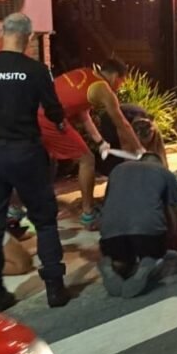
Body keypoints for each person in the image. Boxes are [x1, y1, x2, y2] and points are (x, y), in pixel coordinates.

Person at [0, 13, 69, 311]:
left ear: (1, 33)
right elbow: (53, 110)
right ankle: (55, 289)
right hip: (27, 154)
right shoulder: (35, 70)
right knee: (45, 221)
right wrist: (61, 125)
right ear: (30, 37)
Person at [37, 58, 144, 228]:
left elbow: (84, 116)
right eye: (122, 81)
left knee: (41, 160)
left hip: (33, 113)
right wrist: (140, 150)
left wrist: (100, 141)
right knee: (87, 159)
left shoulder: (86, 74)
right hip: (49, 119)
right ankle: (88, 214)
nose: (120, 86)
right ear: (116, 76)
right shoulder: (103, 88)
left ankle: (17, 207)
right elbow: (122, 123)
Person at [97, 153, 177, 298]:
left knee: (123, 260)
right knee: (153, 251)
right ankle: (148, 262)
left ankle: (112, 264)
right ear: (160, 163)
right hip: (147, 230)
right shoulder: (165, 173)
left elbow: (109, 201)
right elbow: (170, 209)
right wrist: (172, 234)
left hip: (110, 231)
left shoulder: (118, 169)